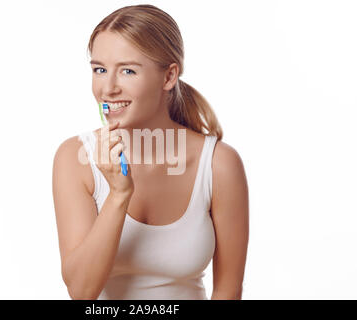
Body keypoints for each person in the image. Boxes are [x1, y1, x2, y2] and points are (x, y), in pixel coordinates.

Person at [52, 4, 249, 300]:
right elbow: (81, 291)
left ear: (169, 77)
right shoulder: (75, 158)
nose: (108, 88)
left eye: (128, 70)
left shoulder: (219, 164)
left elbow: (227, 291)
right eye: (100, 69)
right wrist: (119, 194)